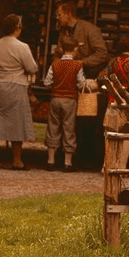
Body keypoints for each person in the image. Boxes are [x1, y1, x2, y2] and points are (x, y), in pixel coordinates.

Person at [0, 14, 38, 170]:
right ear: (17, 28)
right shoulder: (22, 47)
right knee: (16, 123)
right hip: (15, 86)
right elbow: (32, 67)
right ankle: (17, 160)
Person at [56, 0, 109, 166]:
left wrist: (81, 63)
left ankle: (86, 155)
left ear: (68, 14)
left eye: (59, 14)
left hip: (89, 81)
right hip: (70, 80)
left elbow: (102, 54)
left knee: (87, 118)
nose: (57, 17)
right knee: (68, 119)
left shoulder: (90, 30)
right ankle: (67, 154)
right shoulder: (63, 31)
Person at [41, 33, 86, 171]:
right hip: (70, 99)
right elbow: (81, 84)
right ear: (74, 49)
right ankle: (67, 162)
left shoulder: (55, 64)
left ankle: (50, 160)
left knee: (53, 127)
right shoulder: (77, 65)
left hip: (55, 98)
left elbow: (47, 82)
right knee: (69, 128)